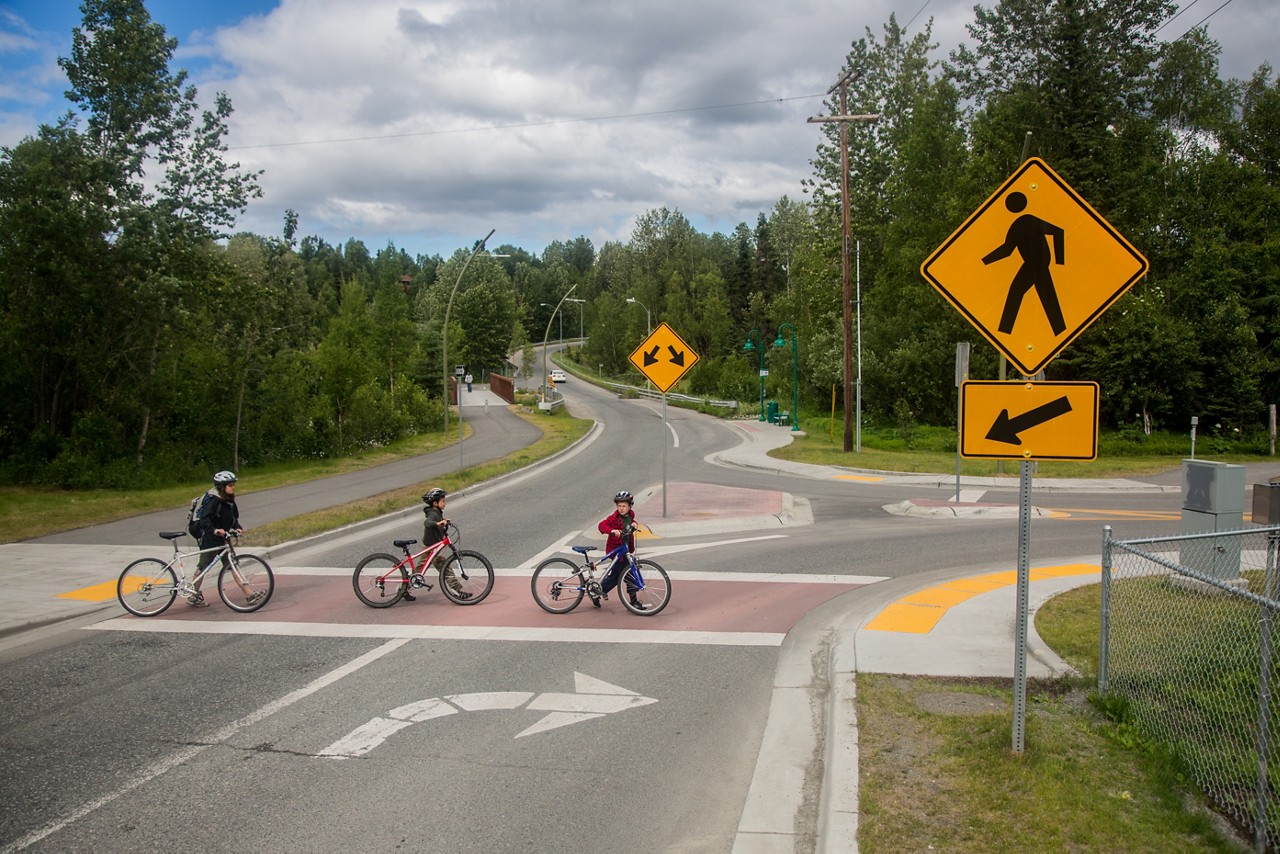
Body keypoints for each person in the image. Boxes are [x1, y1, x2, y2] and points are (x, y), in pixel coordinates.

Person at [189, 470, 252, 607]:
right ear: (221, 487)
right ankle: (192, 595)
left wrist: (237, 527)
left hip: (223, 537)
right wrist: (215, 530)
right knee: (203, 568)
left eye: (233, 484)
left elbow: (232, 518)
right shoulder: (214, 500)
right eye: (230, 485)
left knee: (232, 565)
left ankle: (249, 594)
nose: (233, 487)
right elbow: (204, 520)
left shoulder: (229, 499)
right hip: (209, 538)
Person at [407, 487, 470, 602]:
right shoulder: (432, 514)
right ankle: (456, 591)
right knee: (443, 567)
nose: (444, 503)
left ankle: (402, 590)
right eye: (443, 501)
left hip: (433, 547)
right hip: (430, 548)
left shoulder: (437, 512)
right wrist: (437, 523)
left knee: (419, 571)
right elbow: (427, 522)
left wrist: (443, 521)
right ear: (435, 503)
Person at [597, 489, 646, 611]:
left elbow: (630, 523)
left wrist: (634, 523)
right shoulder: (614, 518)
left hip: (625, 550)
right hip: (616, 551)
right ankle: (633, 602)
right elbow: (601, 526)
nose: (621, 508)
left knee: (615, 576)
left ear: (630, 506)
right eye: (619, 506)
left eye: (624, 506)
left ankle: (598, 592)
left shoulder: (631, 515)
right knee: (629, 575)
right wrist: (612, 531)